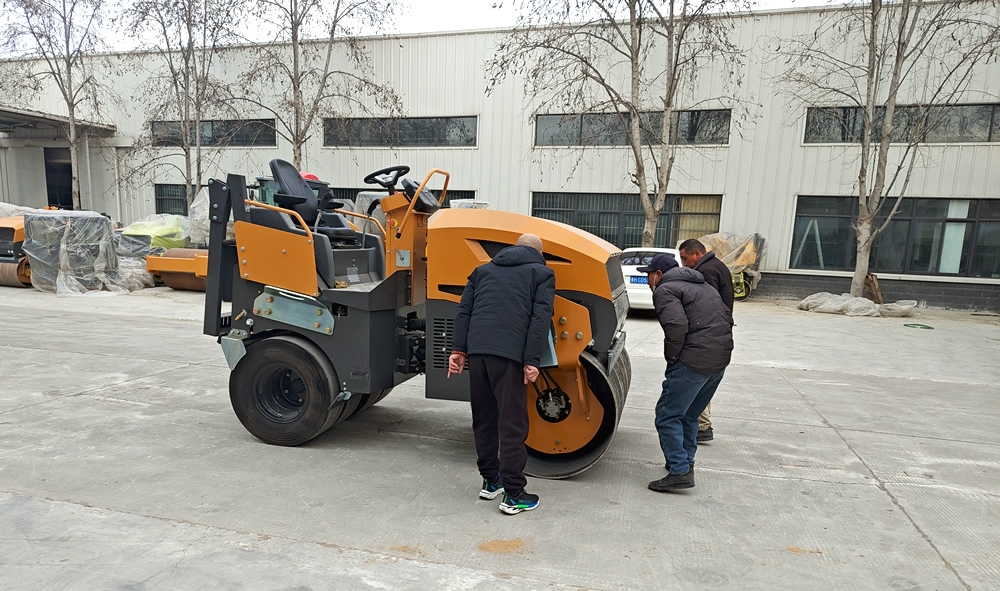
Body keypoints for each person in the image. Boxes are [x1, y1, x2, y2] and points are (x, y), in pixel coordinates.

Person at [447, 233, 555, 515]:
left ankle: (490, 480)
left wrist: (458, 350)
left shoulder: (482, 271)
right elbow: (540, 318)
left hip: (478, 352)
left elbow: (464, 311)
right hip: (509, 355)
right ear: (540, 253)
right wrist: (531, 360)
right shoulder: (542, 274)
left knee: (484, 419)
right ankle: (514, 493)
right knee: (512, 424)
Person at [639, 253, 733, 492]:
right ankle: (684, 463)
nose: (648, 281)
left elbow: (676, 325)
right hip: (719, 360)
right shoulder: (704, 286)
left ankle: (679, 471)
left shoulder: (665, 290)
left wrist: (672, 358)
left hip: (693, 361)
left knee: (667, 415)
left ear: (658, 274)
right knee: (690, 415)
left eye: (648, 275)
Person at [677, 239, 734, 444]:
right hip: (719, 333)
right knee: (705, 380)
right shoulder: (718, 265)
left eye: (685, 258)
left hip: (710, 335)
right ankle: (702, 425)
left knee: (699, 382)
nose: (684, 264)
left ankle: (702, 426)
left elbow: (705, 306)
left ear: (697, 254)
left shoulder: (706, 272)